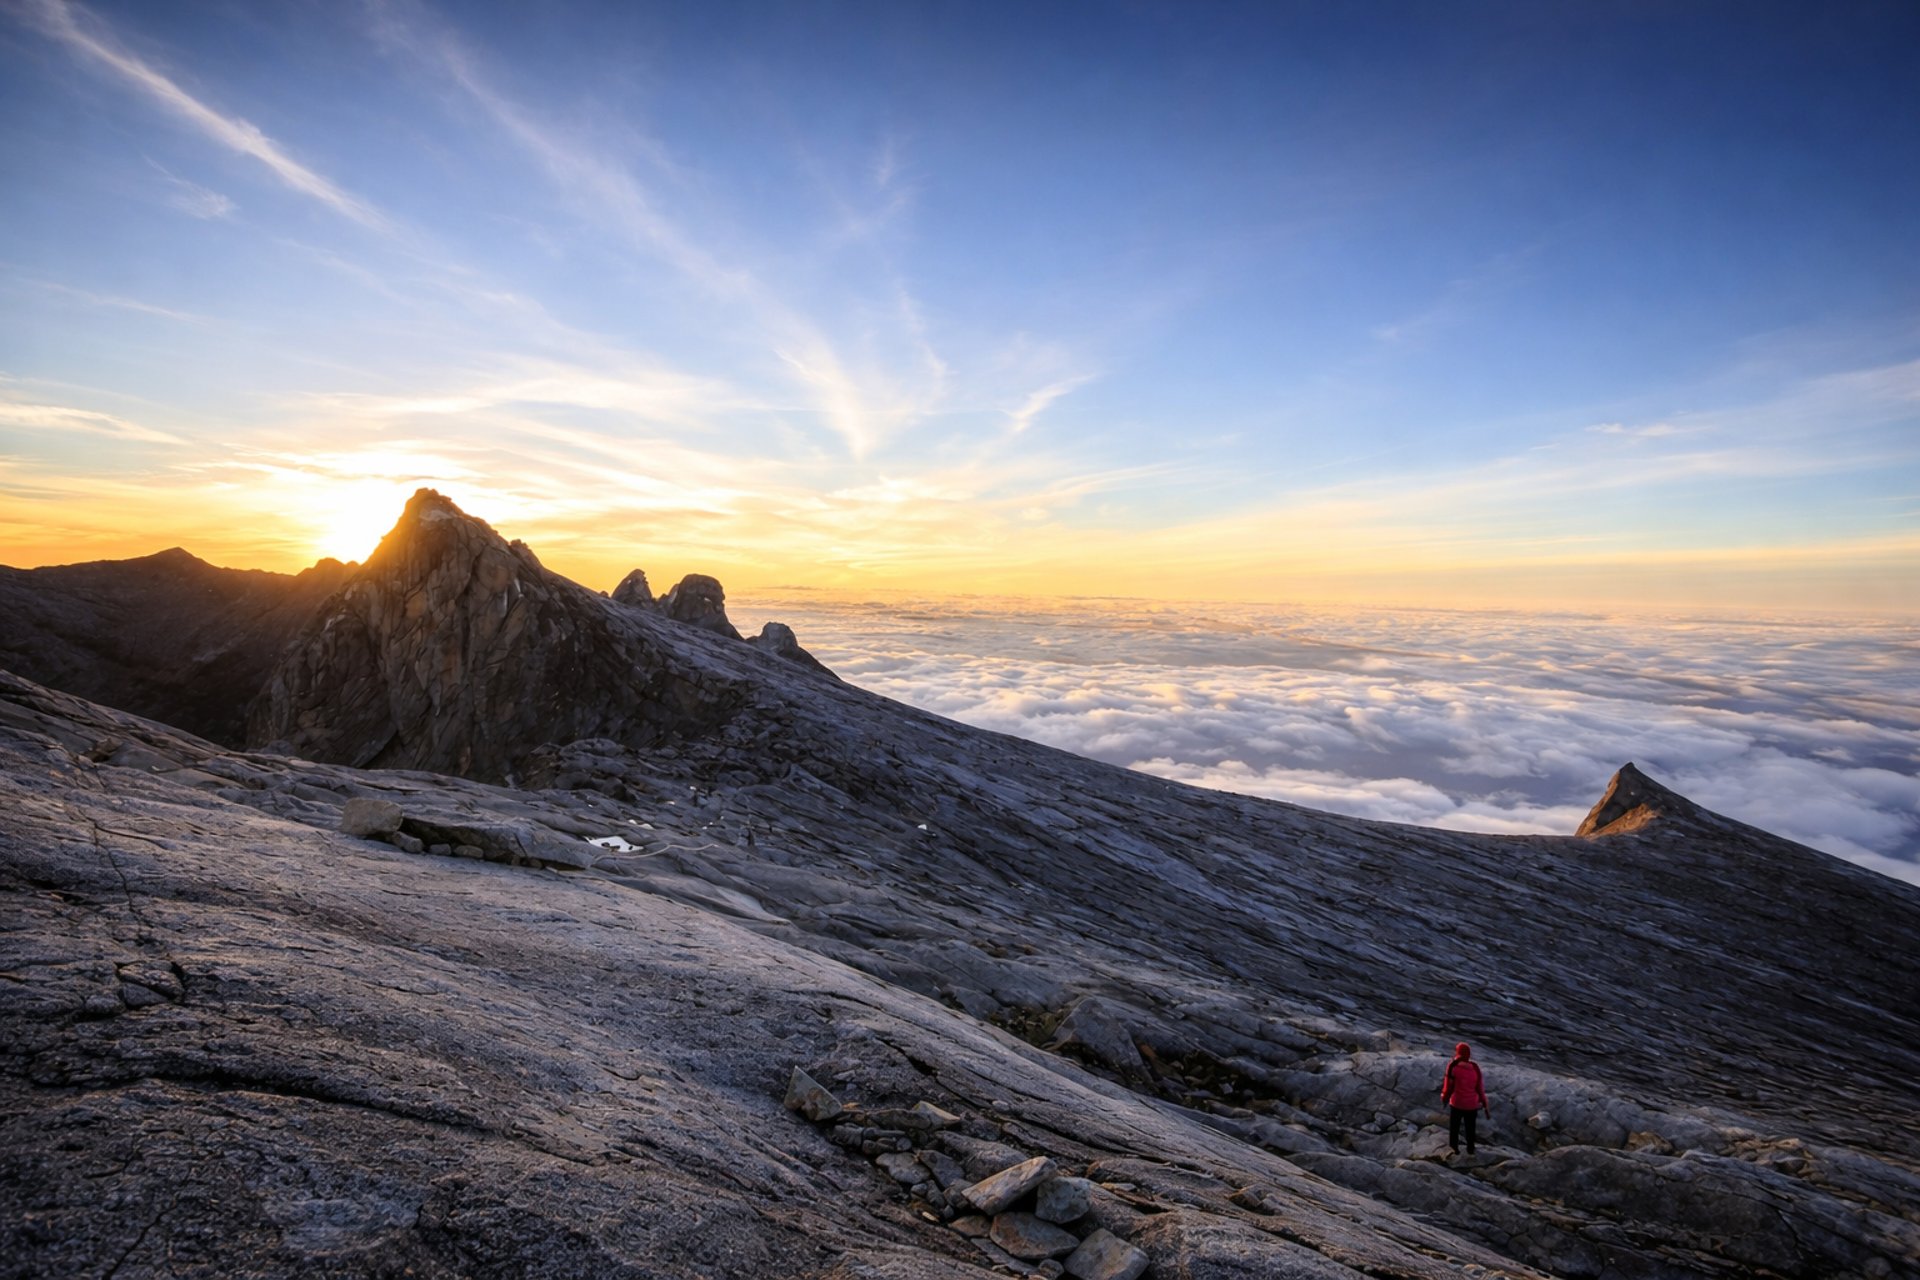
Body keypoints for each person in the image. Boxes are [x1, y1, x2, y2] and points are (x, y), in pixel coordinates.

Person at [1440, 1041, 1489, 1155]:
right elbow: (1480, 1088)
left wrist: (1444, 1097)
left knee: (1454, 1128)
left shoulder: (1453, 1066)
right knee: (1470, 1128)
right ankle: (1470, 1149)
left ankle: (1454, 1148)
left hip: (1457, 1103)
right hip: (1472, 1104)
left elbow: (1448, 1086)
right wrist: (1485, 1104)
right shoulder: (1475, 1067)